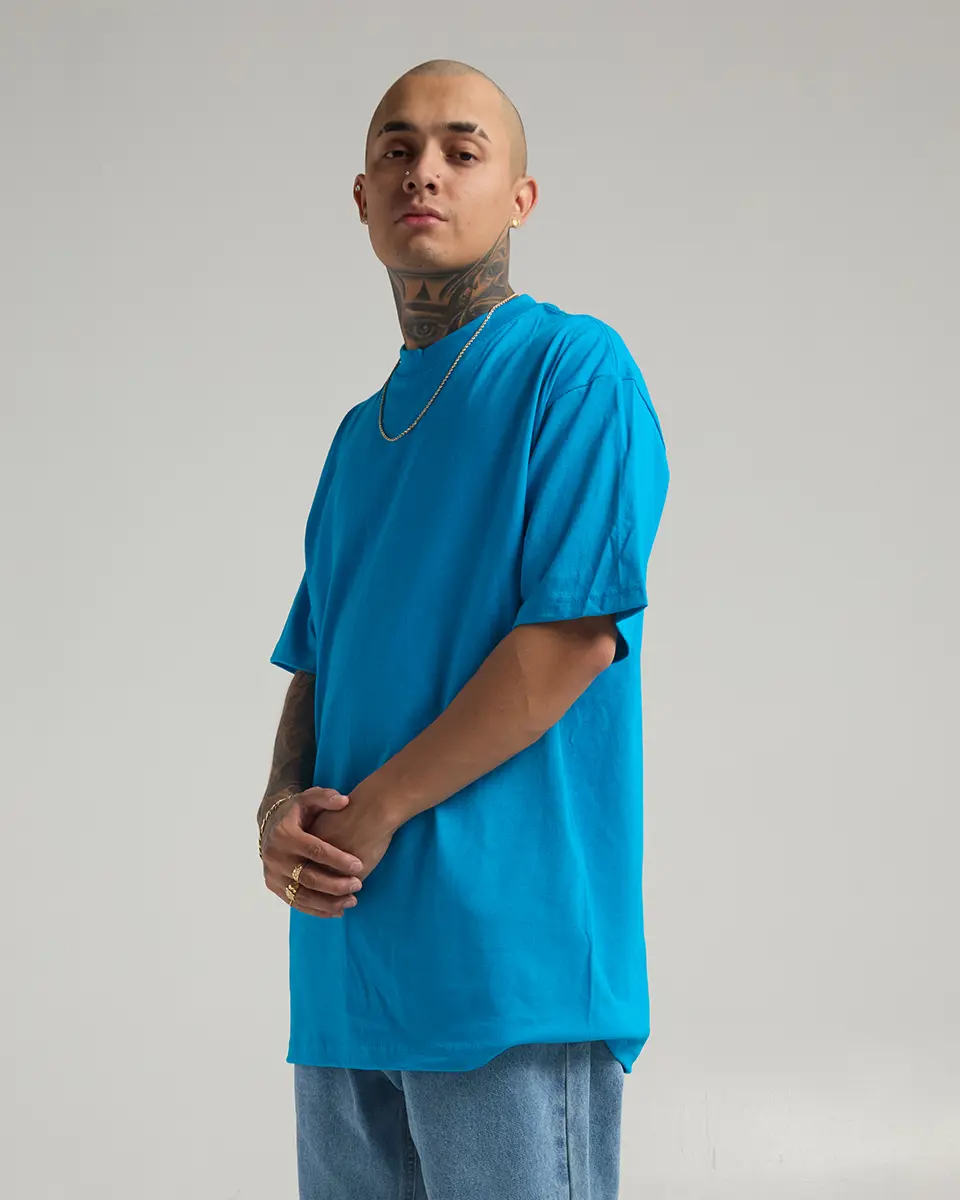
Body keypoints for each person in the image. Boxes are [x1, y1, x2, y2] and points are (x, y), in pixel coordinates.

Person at [256, 58, 670, 1200]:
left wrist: (376, 809)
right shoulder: (357, 438)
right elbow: (319, 662)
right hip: (344, 975)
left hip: (505, 968)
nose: (423, 172)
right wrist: (277, 808)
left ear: (521, 196)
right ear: (362, 197)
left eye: (461, 148)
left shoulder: (573, 369)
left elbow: (570, 640)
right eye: (396, 150)